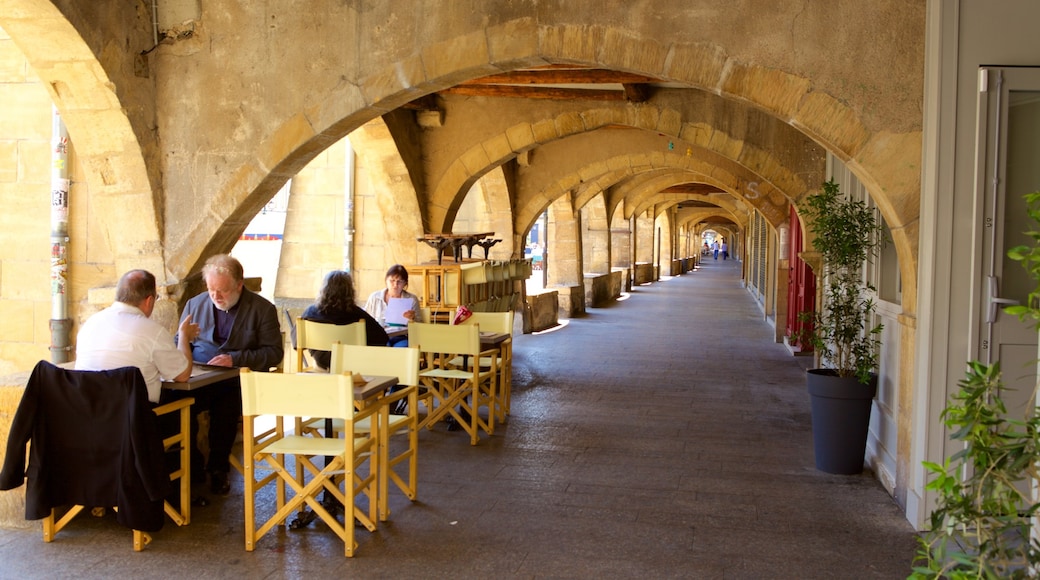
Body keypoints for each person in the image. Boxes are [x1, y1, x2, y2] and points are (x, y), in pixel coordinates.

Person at [178, 254, 283, 496]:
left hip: (238, 380)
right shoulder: (195, 305)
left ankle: (218, 469)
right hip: (200, 377)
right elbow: (178, 341)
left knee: (225, 405)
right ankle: (191, 466)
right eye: (211, 289)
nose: (216, 296)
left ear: (239, 285)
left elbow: (273, 352)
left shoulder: (261, 309)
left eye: (223, 290)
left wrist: (235, 358)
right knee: (178, 405)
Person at [75, 269, 199, 404]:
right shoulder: (152, 331)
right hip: (133, 418)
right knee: (188, 402)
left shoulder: (90, 323)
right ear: (149, 300)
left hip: (91, 416)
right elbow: (182, 375)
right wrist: (184, 336)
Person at [298, 270, 388, 369]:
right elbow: (382, 338)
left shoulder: (310, 313)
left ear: (324, 289)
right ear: (350, 291)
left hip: (321, 364)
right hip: (351, 365)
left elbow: (296, 341)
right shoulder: (357, 314)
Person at [364, 264, 422, 347]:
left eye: (399, 281)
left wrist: (413, 319)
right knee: (381, 347)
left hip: (402, 336)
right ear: (386, 280)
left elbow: (420, 325)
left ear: (405, 283)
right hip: (379, 336)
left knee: (402, 348)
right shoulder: (375, 297)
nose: (395, 285)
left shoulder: (411, 299)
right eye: (392, 280)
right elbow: (365, 319)